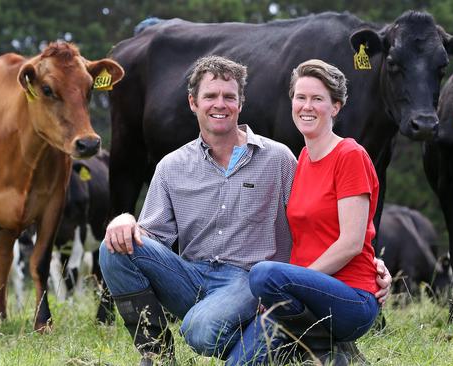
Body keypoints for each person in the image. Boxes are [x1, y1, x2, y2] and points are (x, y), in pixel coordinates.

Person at [99, 55, 391, 366]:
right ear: (192, 103)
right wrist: (124, 218)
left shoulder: (280, 160)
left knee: (201, 332)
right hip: (191, 276)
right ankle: (156, 354)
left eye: (229, 96)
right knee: (113, 248)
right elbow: (150, 236)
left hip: (251, 282)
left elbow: (317, 220)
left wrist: (369, 260)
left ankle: (309, 341)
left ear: (241, 103)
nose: (219, 104)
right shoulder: (172, 167)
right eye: (210, 96)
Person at [227, 59, 382, 366]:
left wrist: (289, 281)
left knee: (264, 273)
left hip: (350, 297)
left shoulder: (350, 155)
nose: (306, 106)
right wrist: (283, 288)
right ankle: (319, 349)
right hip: (303, 298)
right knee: (239, 362)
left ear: (335, 107)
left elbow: (351, 243)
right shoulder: (303, 160)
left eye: (317, 99)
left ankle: (328, 349)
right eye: (300, 97)